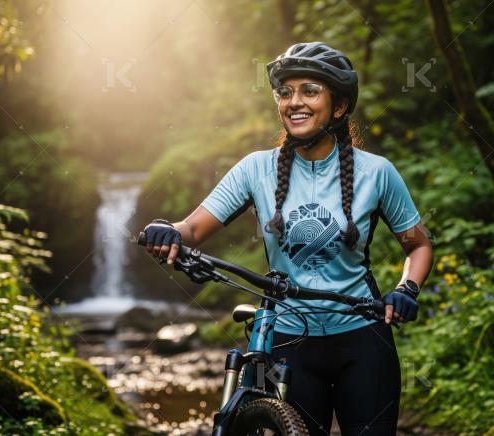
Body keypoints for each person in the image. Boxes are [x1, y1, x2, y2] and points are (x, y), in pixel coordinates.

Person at [142, 42, 433, 435]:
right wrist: (170, 230)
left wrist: (407, 288)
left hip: (362, 340)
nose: (294, 102)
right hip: (288, 341)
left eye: (310, 91)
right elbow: (192, 228)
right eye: (285, 92)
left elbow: (417, 245)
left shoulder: (376, 173)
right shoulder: (255, 169)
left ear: (340, 106)